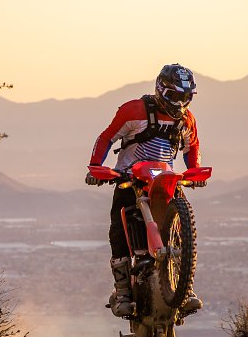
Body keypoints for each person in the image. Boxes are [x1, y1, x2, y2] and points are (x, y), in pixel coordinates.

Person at [86, 64, 205, 318]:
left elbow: (191, 146)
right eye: (175, 96)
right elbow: (107, 137)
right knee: (118, 228)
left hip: (165, 179)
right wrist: (96, 167)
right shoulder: (134, 110)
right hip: (130, 176)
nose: (180, 102)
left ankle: (185, 288)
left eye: (186, 97)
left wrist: (194, 171)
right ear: (161, 90)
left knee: (183, 225)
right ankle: (122, 292)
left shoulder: (186, 118)